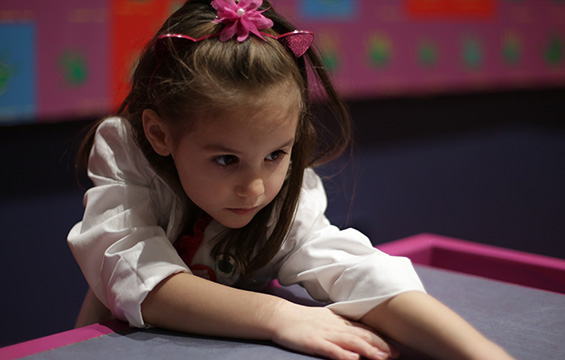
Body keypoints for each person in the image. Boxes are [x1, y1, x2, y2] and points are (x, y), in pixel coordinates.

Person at [68, 1, 514, 359]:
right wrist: (279, 316)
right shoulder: (128, 154)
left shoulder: (286, 193)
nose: (256, 188)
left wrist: (480, 351)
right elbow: (140, 279)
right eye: (226, 159)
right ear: (160, 134)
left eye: (276, 154)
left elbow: (359, 273)